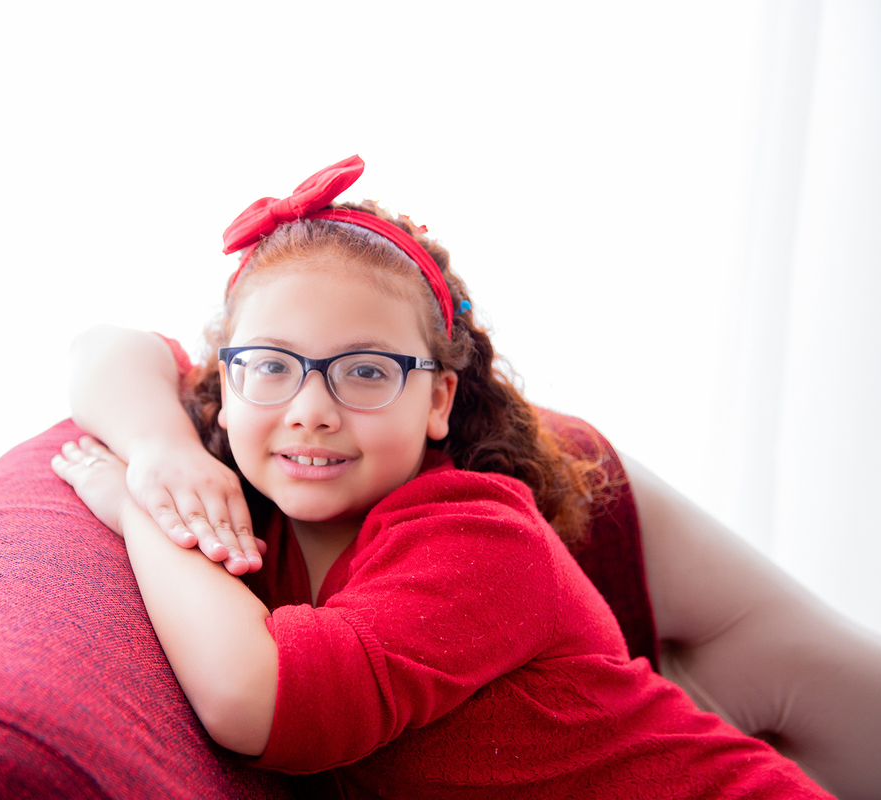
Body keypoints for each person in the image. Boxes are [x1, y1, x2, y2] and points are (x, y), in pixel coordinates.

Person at [49, 155, 834, 797]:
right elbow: (101, 350)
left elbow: (252, 700)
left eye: (364, 372)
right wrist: (164, 452)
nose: (310, 409)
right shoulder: (253, 493)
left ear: (438, 399)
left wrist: (139, 508)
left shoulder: (478, 534)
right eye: (272, 366)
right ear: (228, 381)